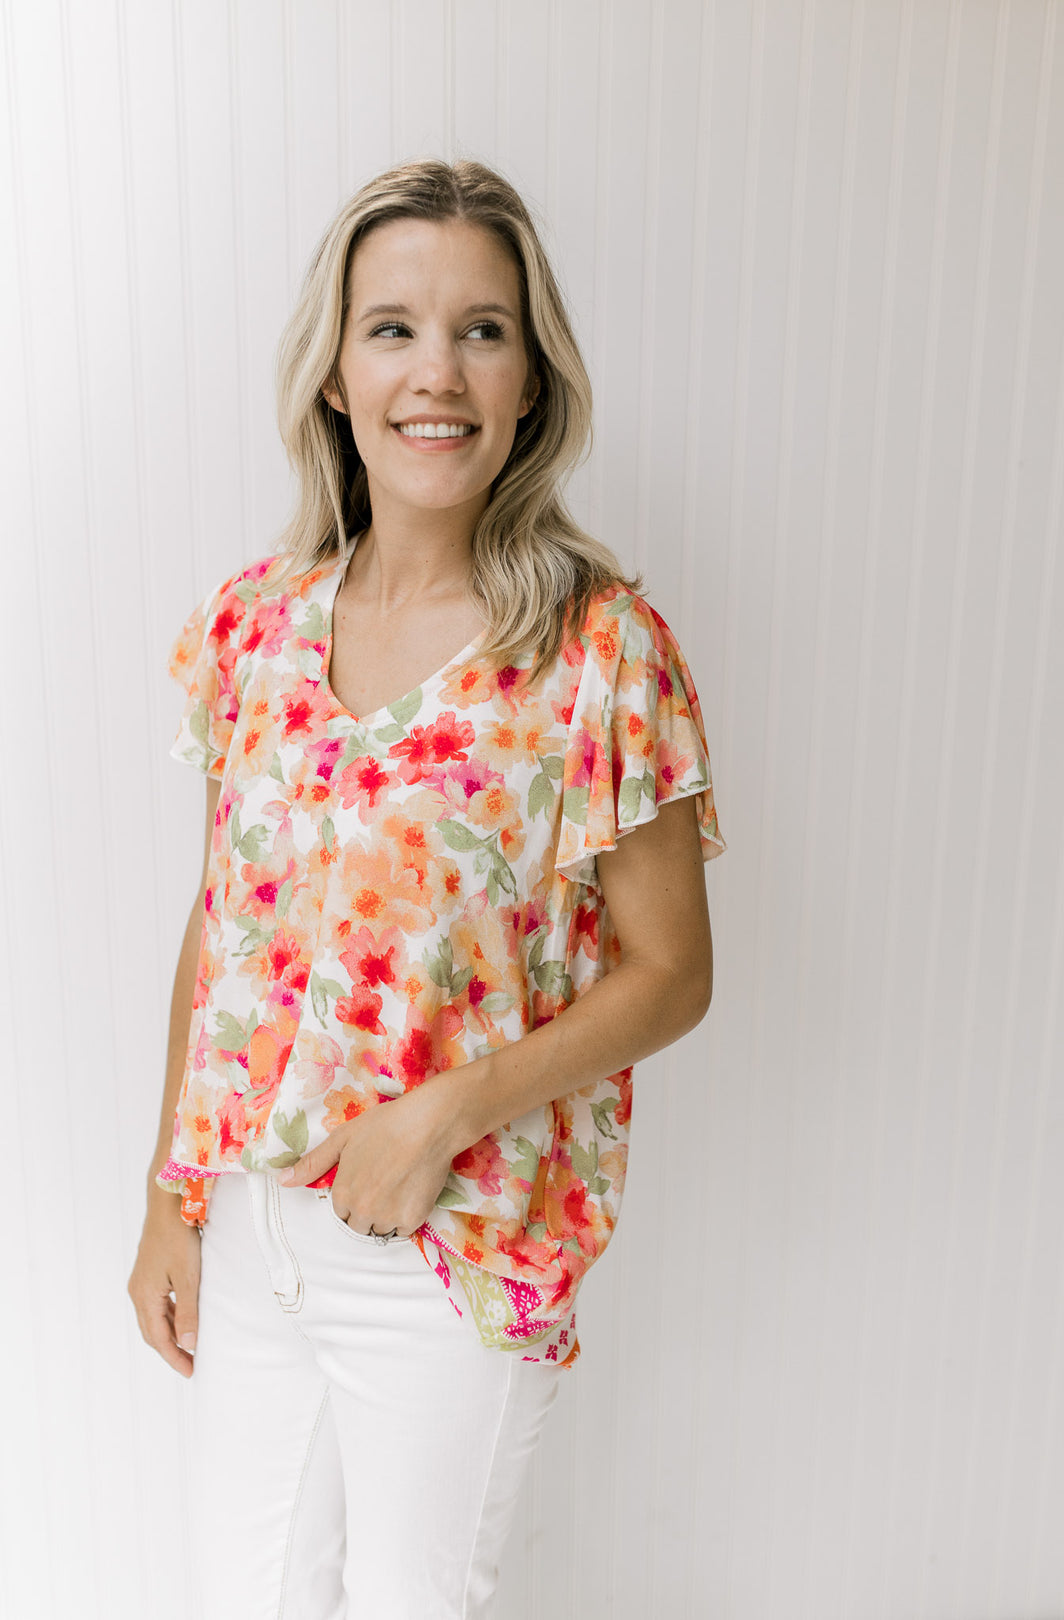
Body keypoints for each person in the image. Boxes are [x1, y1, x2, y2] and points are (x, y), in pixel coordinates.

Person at [127, 156, 725, 1620]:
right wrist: (169, 1197)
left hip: (451, 1237)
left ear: (532, 379)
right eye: (392, 327)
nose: (435, 371)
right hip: (255, 1220)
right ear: (336, 372)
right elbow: (226, 926)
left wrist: (440, 1114)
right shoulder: (254, 628)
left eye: (484, 329)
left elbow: (671, 971)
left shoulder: (600, 651)